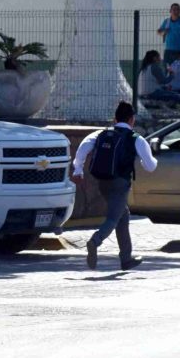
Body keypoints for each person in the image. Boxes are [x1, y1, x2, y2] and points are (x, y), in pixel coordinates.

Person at [72, 101, 158, 271]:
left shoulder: (101, 134)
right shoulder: (136, 139)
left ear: (114, 119)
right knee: (113, 217)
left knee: (123, 215)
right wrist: (144, 158)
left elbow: (83, 148)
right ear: (132, 119)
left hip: (102, 181)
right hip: (120, 183)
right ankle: (94, 241)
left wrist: (78, 170)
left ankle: (126, 259)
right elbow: (151, 166)